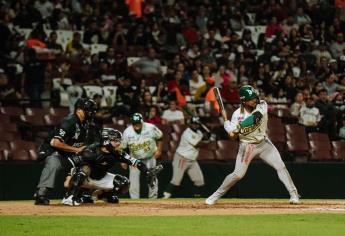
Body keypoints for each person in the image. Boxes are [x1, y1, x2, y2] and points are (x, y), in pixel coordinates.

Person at [205, 85, 300, 205]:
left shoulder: (262, 105)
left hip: (264, 144)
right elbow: (233, 136)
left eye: (255, 97)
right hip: (247, 146)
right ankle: (215, 196)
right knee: (238, 175)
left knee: (281, 166)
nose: (255, 99)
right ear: (243, 101)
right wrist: (229, 128)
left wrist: (237, 128)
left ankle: (294, 194)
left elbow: (255, 117)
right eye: (251, 98)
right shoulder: (236, 115)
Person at [62, 128, 163, 206]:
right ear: (106, 141)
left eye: (119, 140)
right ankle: (70, 197)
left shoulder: (117, 153)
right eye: (115, 140)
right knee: (85, 169)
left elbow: (136, 162)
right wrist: (68, 178)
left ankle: (101, 195)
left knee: (124, 183)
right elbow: (71, 162)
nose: (119, 143)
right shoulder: (91, 150)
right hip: (85, 179)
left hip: (101, 178)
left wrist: (147, 172)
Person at [34, 98, 97, 205]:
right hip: (53, 150)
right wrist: (77, 150)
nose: (91, 112)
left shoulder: (86, 124)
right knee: (54, 162)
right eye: (88, 110)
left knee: (88, 160)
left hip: (68, 152)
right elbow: (55, 143)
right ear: (79, 110)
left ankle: (80, 193)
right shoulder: (69, 121)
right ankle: (42, 193)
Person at [163, 116, 208, 199]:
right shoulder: (187, 132)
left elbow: (203, 139)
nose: (195, 125)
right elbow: (198, 144)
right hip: (182, 158)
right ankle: (165, 197)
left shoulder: (199, 133)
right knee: (176, 180)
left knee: (199, 181)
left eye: (196, 124)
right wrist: (209, 140)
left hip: (192, 160)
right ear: (190, 124)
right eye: (193, 124)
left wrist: (208, 136)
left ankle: (197, 199)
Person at [122, 113, 163, 199]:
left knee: (152, 178)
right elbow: (124, 148)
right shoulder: (127, 132)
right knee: (133, 182)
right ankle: (134, 200)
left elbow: (160, 137)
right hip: (135, 159)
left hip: (150, 157)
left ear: (142, 122)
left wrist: (159, 150)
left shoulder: (151, 128)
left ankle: (153, 198)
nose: (136, 125)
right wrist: (123, 161)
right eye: (134, 123)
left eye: (138, 123)